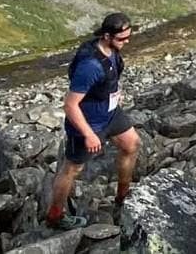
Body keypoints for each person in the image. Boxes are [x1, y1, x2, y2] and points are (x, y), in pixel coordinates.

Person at [45, 12, 140, 229]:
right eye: (122, 38)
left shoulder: (111, 51)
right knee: (72, 169)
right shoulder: (90, 66)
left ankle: (123, 196)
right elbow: (70, 104)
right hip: (89, 123)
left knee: (132, 144)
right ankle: (55, 215)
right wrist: (88, 134)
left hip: (110, 112)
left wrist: (115, 92)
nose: (127, 42)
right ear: (107, 36)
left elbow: (110, 77)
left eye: (128, 37)